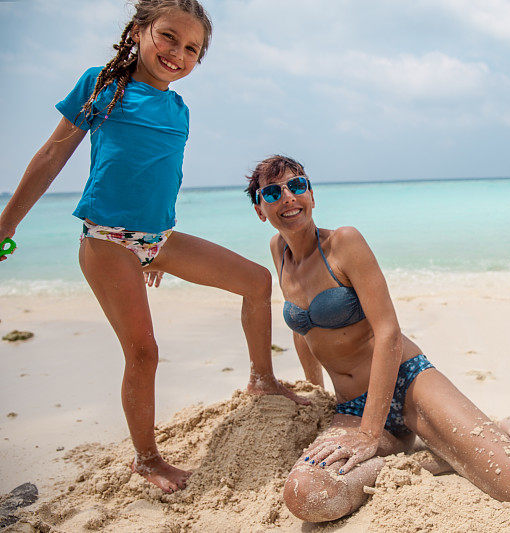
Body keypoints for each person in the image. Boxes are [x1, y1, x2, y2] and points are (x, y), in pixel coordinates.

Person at [0, 0, 306, 494]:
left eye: (191, 49)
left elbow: (162, 177)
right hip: (107, 243)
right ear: (140, 31)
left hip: (157, 239)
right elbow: (54, 153)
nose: (177, 53)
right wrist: (7, 222)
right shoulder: (104, 84)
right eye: (168, 37)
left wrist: (158, 243)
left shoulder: (179, 108)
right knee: (143, 353)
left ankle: (262, 378)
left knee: (256, 281)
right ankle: (147, 459)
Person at [247, 155, 510, 522]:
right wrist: (316, 392)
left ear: (312, 196)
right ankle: (411, 461)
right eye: (273, 192)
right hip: (352, 406)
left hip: (408, 383)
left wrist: (368, 434)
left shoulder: (344, 243)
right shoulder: (279, 251)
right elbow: (303, 330)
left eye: (297, 186)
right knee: (307, 496)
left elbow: (388, 332)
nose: (287, 197)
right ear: (260, 209)